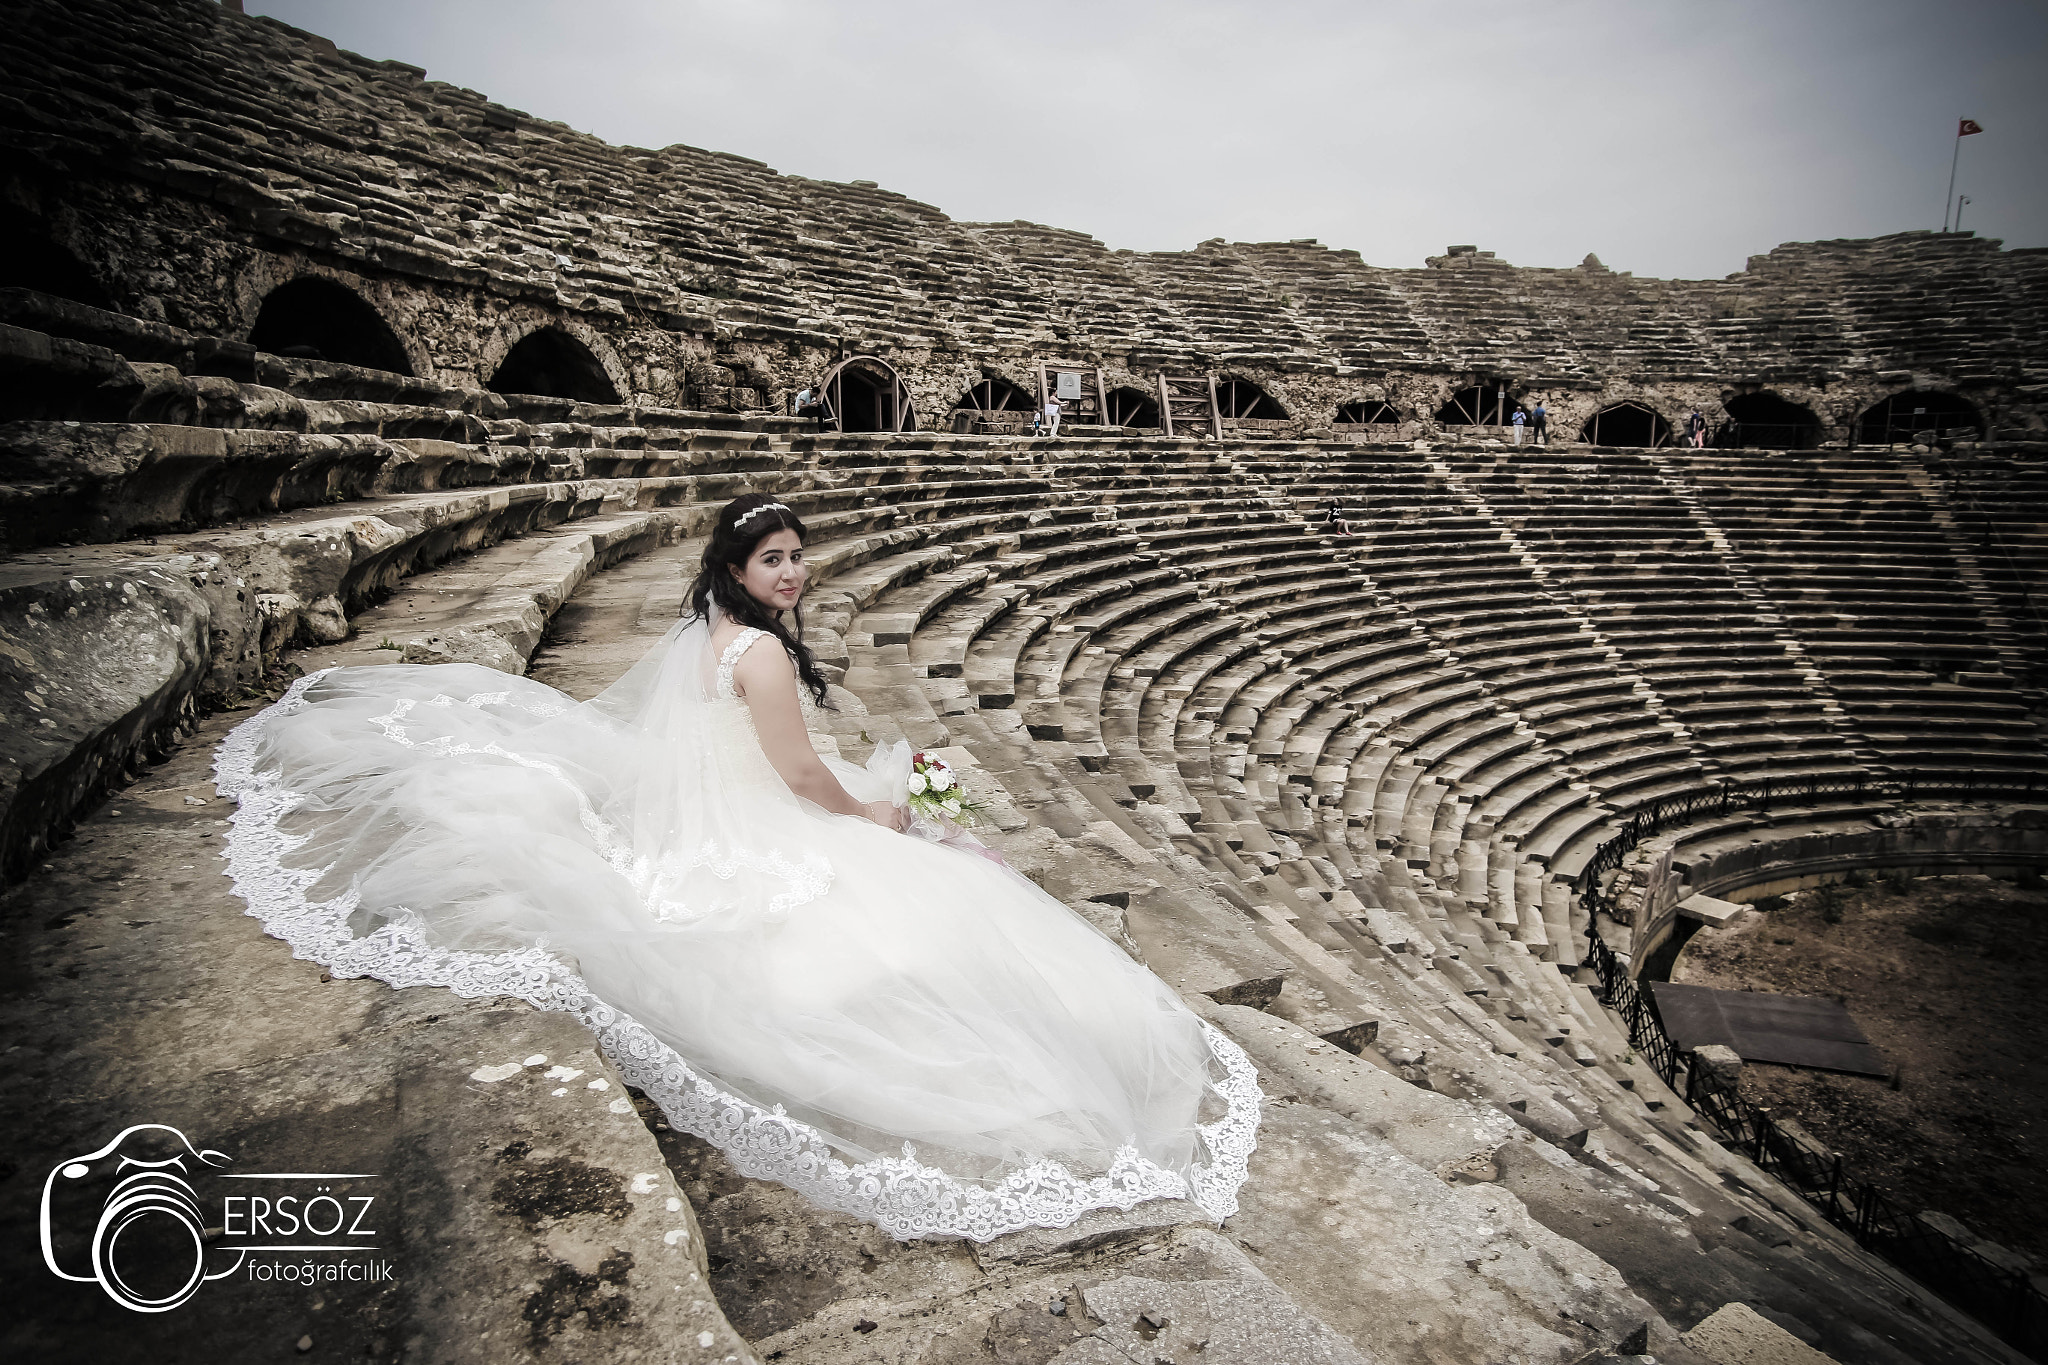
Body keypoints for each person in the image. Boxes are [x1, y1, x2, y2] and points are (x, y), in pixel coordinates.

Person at [214, 493, 1260, 1242]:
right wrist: (881, 816)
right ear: (735, 572)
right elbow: (804, 781)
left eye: (798, 557)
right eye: (773, 563)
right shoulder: (758, 652)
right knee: (928, 915)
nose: (793, 573)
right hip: (763, 823)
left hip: (704, 818)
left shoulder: (707, 630)